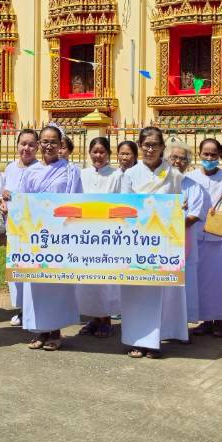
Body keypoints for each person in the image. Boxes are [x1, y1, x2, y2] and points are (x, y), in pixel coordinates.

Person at [118, 127, 201, 359]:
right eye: (146, 145)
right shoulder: (130, 174)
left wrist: (180, 208)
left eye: (155, 145)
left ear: (163, 147)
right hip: (136, 240)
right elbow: (125, 206)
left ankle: (154, 341)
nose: (150, 149)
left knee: (159, 293)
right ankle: (135, 340)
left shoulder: (173, 174)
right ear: (140, 146)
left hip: (163, 242)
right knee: (135, 291)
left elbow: (180, 203)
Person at [18, 124, 84, 351]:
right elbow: (22, 202)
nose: (48, 146)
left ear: (61, 144)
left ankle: (55, 330)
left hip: (60, 234)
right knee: (37, 282)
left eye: (53, 142)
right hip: (36, 235)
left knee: (56, 283)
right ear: (39, 144)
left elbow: (77, 202)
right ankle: (40, 329)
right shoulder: (30, 171)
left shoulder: (71, 171)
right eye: (44, 142)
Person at [185, 138, 222, 338]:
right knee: (201, 281)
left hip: (219, 238)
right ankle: (206, 320)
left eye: (213, 155)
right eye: (205, 154)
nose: (209, 158)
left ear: (219, 156)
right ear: (199, 154)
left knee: (220, 282)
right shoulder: (190, 177)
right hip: (196, 235)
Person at [78, 136, 122, 338]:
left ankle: (106, 319)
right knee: (88, 279)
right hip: (85, 234)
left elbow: (122, 202)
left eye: (102, 152)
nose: (98, 155)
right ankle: (94, 318)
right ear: (89, 153)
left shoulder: (117, 175)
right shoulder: (82, 174)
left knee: (105, 279)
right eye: (94, 152)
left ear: (108, 154)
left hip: (108, 234)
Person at [167, 143, 208, 327]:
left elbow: (194, 215)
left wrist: (171, 224)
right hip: (158, 244)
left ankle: (181, 328)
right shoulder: (159, 183)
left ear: (188, 163)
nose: (178, 162)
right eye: (174, 157)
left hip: (185, 244)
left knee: (185, 286)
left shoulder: (193, 187)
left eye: (183, 159)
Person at [2, 128, 39, 327]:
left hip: (33, 228)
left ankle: (32, 309)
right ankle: (21, 308)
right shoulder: (10, 168)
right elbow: (3, 193)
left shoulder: (40, 169)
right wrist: (3, 200)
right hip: (13, 226)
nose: (27, 148)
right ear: (17, 145)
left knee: (31, 269)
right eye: (23, 144)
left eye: (31, 145)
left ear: (37, 147)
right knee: (15, 268)